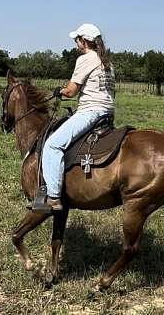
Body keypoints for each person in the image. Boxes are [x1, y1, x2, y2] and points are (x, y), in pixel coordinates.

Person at [38, 23, 115, 212]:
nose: (76, 44)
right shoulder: (107, 61)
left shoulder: (87, 58)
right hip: (107, 113)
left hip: (91, 111)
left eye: (77, 40)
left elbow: (72, 91)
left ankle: (54, 197)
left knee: (53, 145)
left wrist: (60, 91)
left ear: (84, 41)